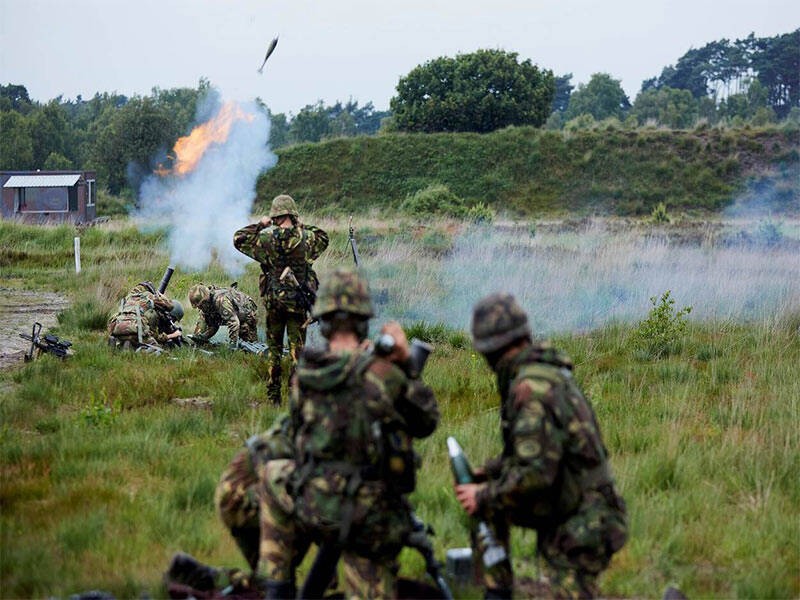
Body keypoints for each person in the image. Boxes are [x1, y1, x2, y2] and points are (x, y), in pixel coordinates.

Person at [256, 266, 440, 599]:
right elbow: (426, 420)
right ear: (363, 323)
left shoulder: (306, 376)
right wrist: (405, 366)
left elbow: (296, 436)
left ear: (324, 324)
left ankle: (277, 585)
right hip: (369, 517)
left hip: (315, 505)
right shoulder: (383, 374)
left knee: (272, 474)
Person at [454, 293, 627, 599]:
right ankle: (497, 591)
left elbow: (536, 474)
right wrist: (491, 473)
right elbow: (540, 453)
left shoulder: (529, 389)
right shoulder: (546, 374)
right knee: (491, 502)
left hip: (584, 521)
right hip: (580, 507)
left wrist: (482, 495)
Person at [233, 194, 329, 405]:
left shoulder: (266, 239)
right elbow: (323, 237)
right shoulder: (307, 238)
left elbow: (238, 238)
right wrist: (300, 226)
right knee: (297, 349)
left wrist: (261, 225)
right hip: (298, 302)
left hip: (274, 302)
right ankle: (295, 394)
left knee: (274, 349)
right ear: (293, 214)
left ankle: (273, 395)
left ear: (275, 215)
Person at [107, 281, 184, 351]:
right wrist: (172, 335)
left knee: (128, 338)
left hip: (117, 329)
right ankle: (133, 345)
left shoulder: (129, 298)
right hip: (136, 330)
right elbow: (155, 336)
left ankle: (123, 343)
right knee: (159, 349)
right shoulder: (150, 298)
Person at [187, 282, 259, 347]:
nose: (200, 308)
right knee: (204, 319)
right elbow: (213, 326)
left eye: (200, 305)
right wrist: (202, 337)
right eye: (198, 306)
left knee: (249, 345)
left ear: (205, 300)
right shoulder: (206, 306)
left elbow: (234, 323)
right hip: (234, 314)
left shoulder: (220, 300)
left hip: (247, 313)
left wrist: (233, 344)